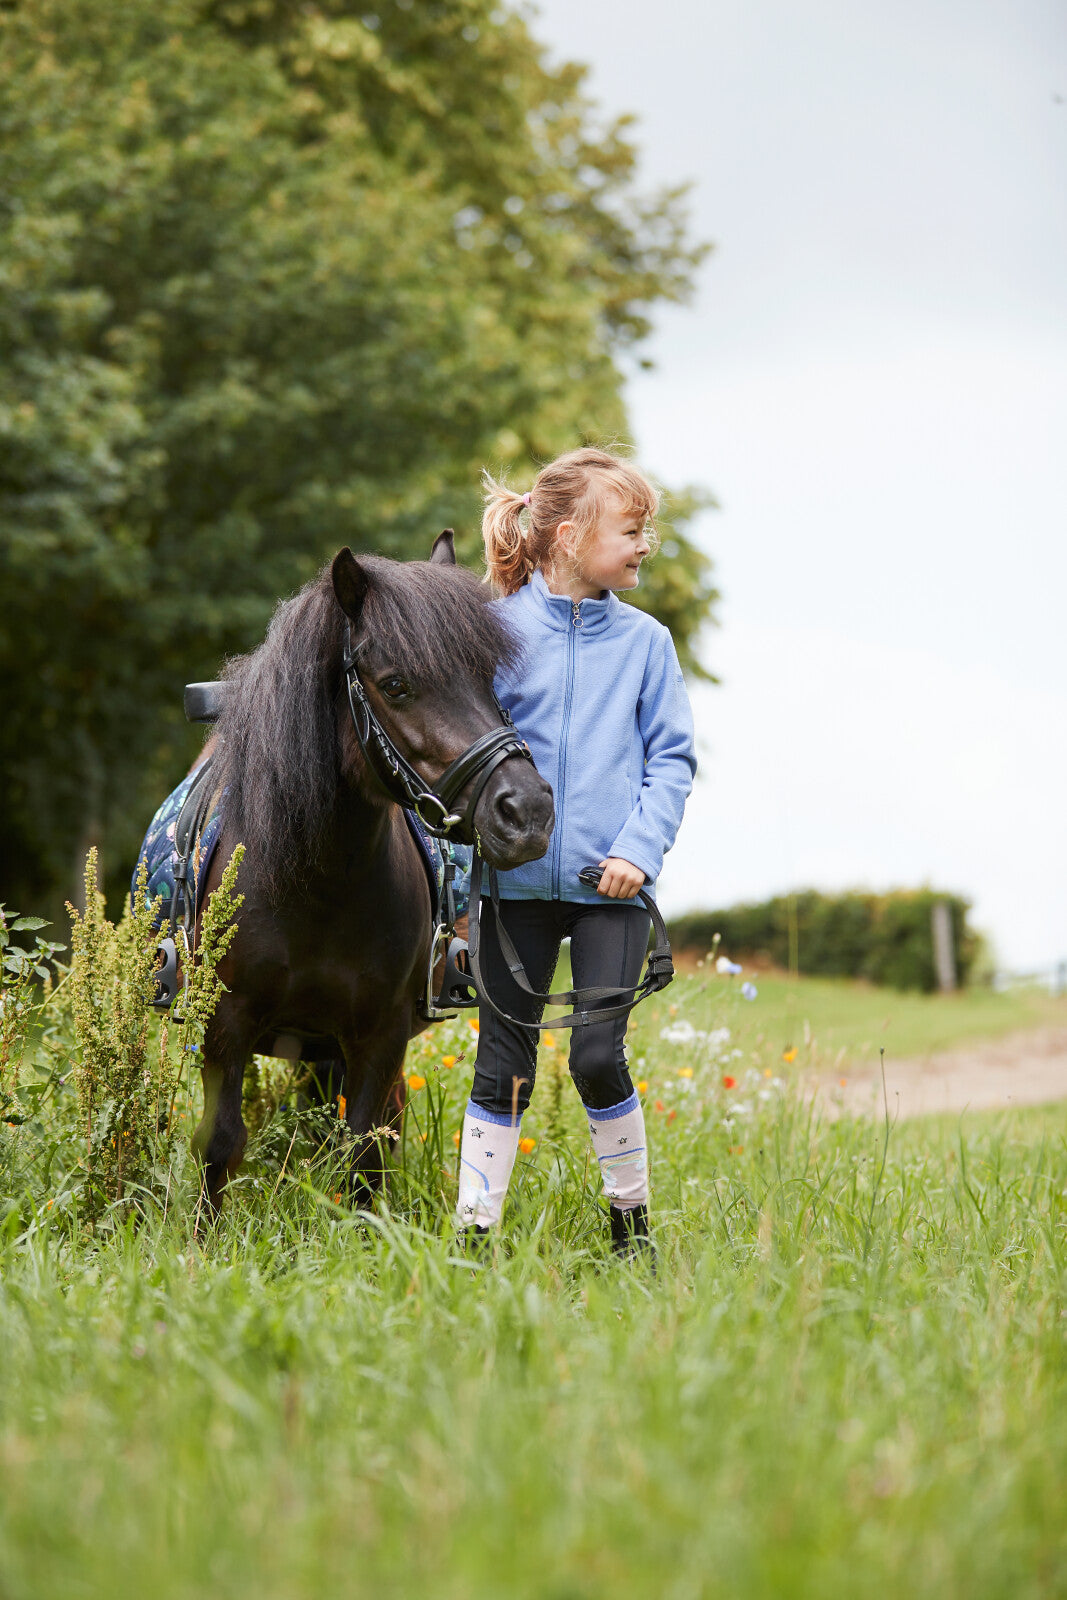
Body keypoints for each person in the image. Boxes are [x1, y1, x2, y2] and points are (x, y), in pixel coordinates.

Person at [455, 446, 697, 1254]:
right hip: (507, 887)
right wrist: (462, 882)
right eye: (629, 531)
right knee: (501, 1067)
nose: (641, 547)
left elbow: (670, 759)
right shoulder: (489, 634)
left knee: (597, 1056)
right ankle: (472, 1235)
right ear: (565, 536)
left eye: (645, 533)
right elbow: (455, 761)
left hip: (611, 888)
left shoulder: (646, 644)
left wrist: (638, 850)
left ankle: (630, 1227)